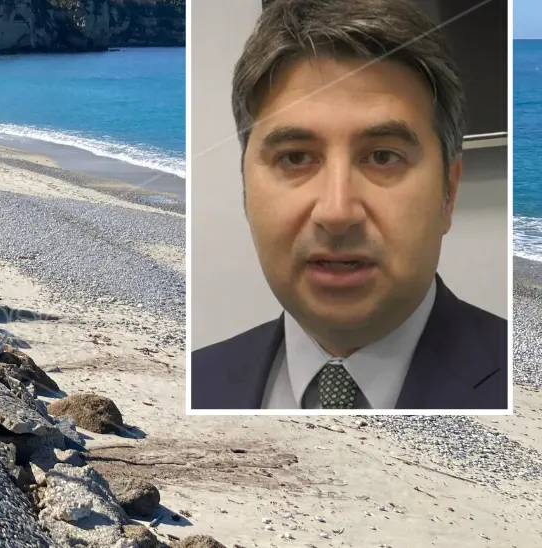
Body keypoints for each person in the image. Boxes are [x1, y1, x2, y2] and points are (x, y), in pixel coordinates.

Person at [191, 0, 508, 410]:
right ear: (245, 188)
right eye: (296, 158)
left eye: (382, 157)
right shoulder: (199, 381)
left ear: (449, 190)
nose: (337, 212)